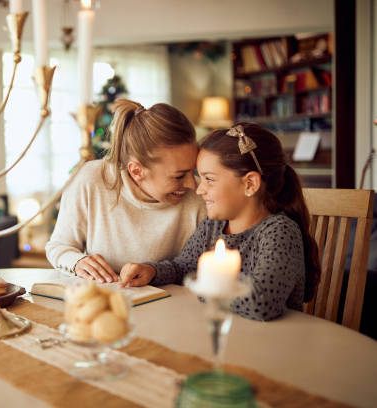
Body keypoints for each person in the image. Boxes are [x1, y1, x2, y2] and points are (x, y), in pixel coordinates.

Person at [119, 123, 321, 321]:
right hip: (226, 333)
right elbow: (184, 268)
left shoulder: (280, 232)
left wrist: (202, 287)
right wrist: (152, 271)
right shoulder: (213, 226)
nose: (199, 190)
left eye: (209, 179)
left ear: (250, 184)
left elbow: (262, 302)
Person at [46, 99, 207, 283]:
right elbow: (58, 246)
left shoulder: (201, 196)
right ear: (137, 171)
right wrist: (77, 262)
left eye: (192, 171)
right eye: (179, 176)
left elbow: (197, 270)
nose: (193, 185)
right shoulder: (91, 180)